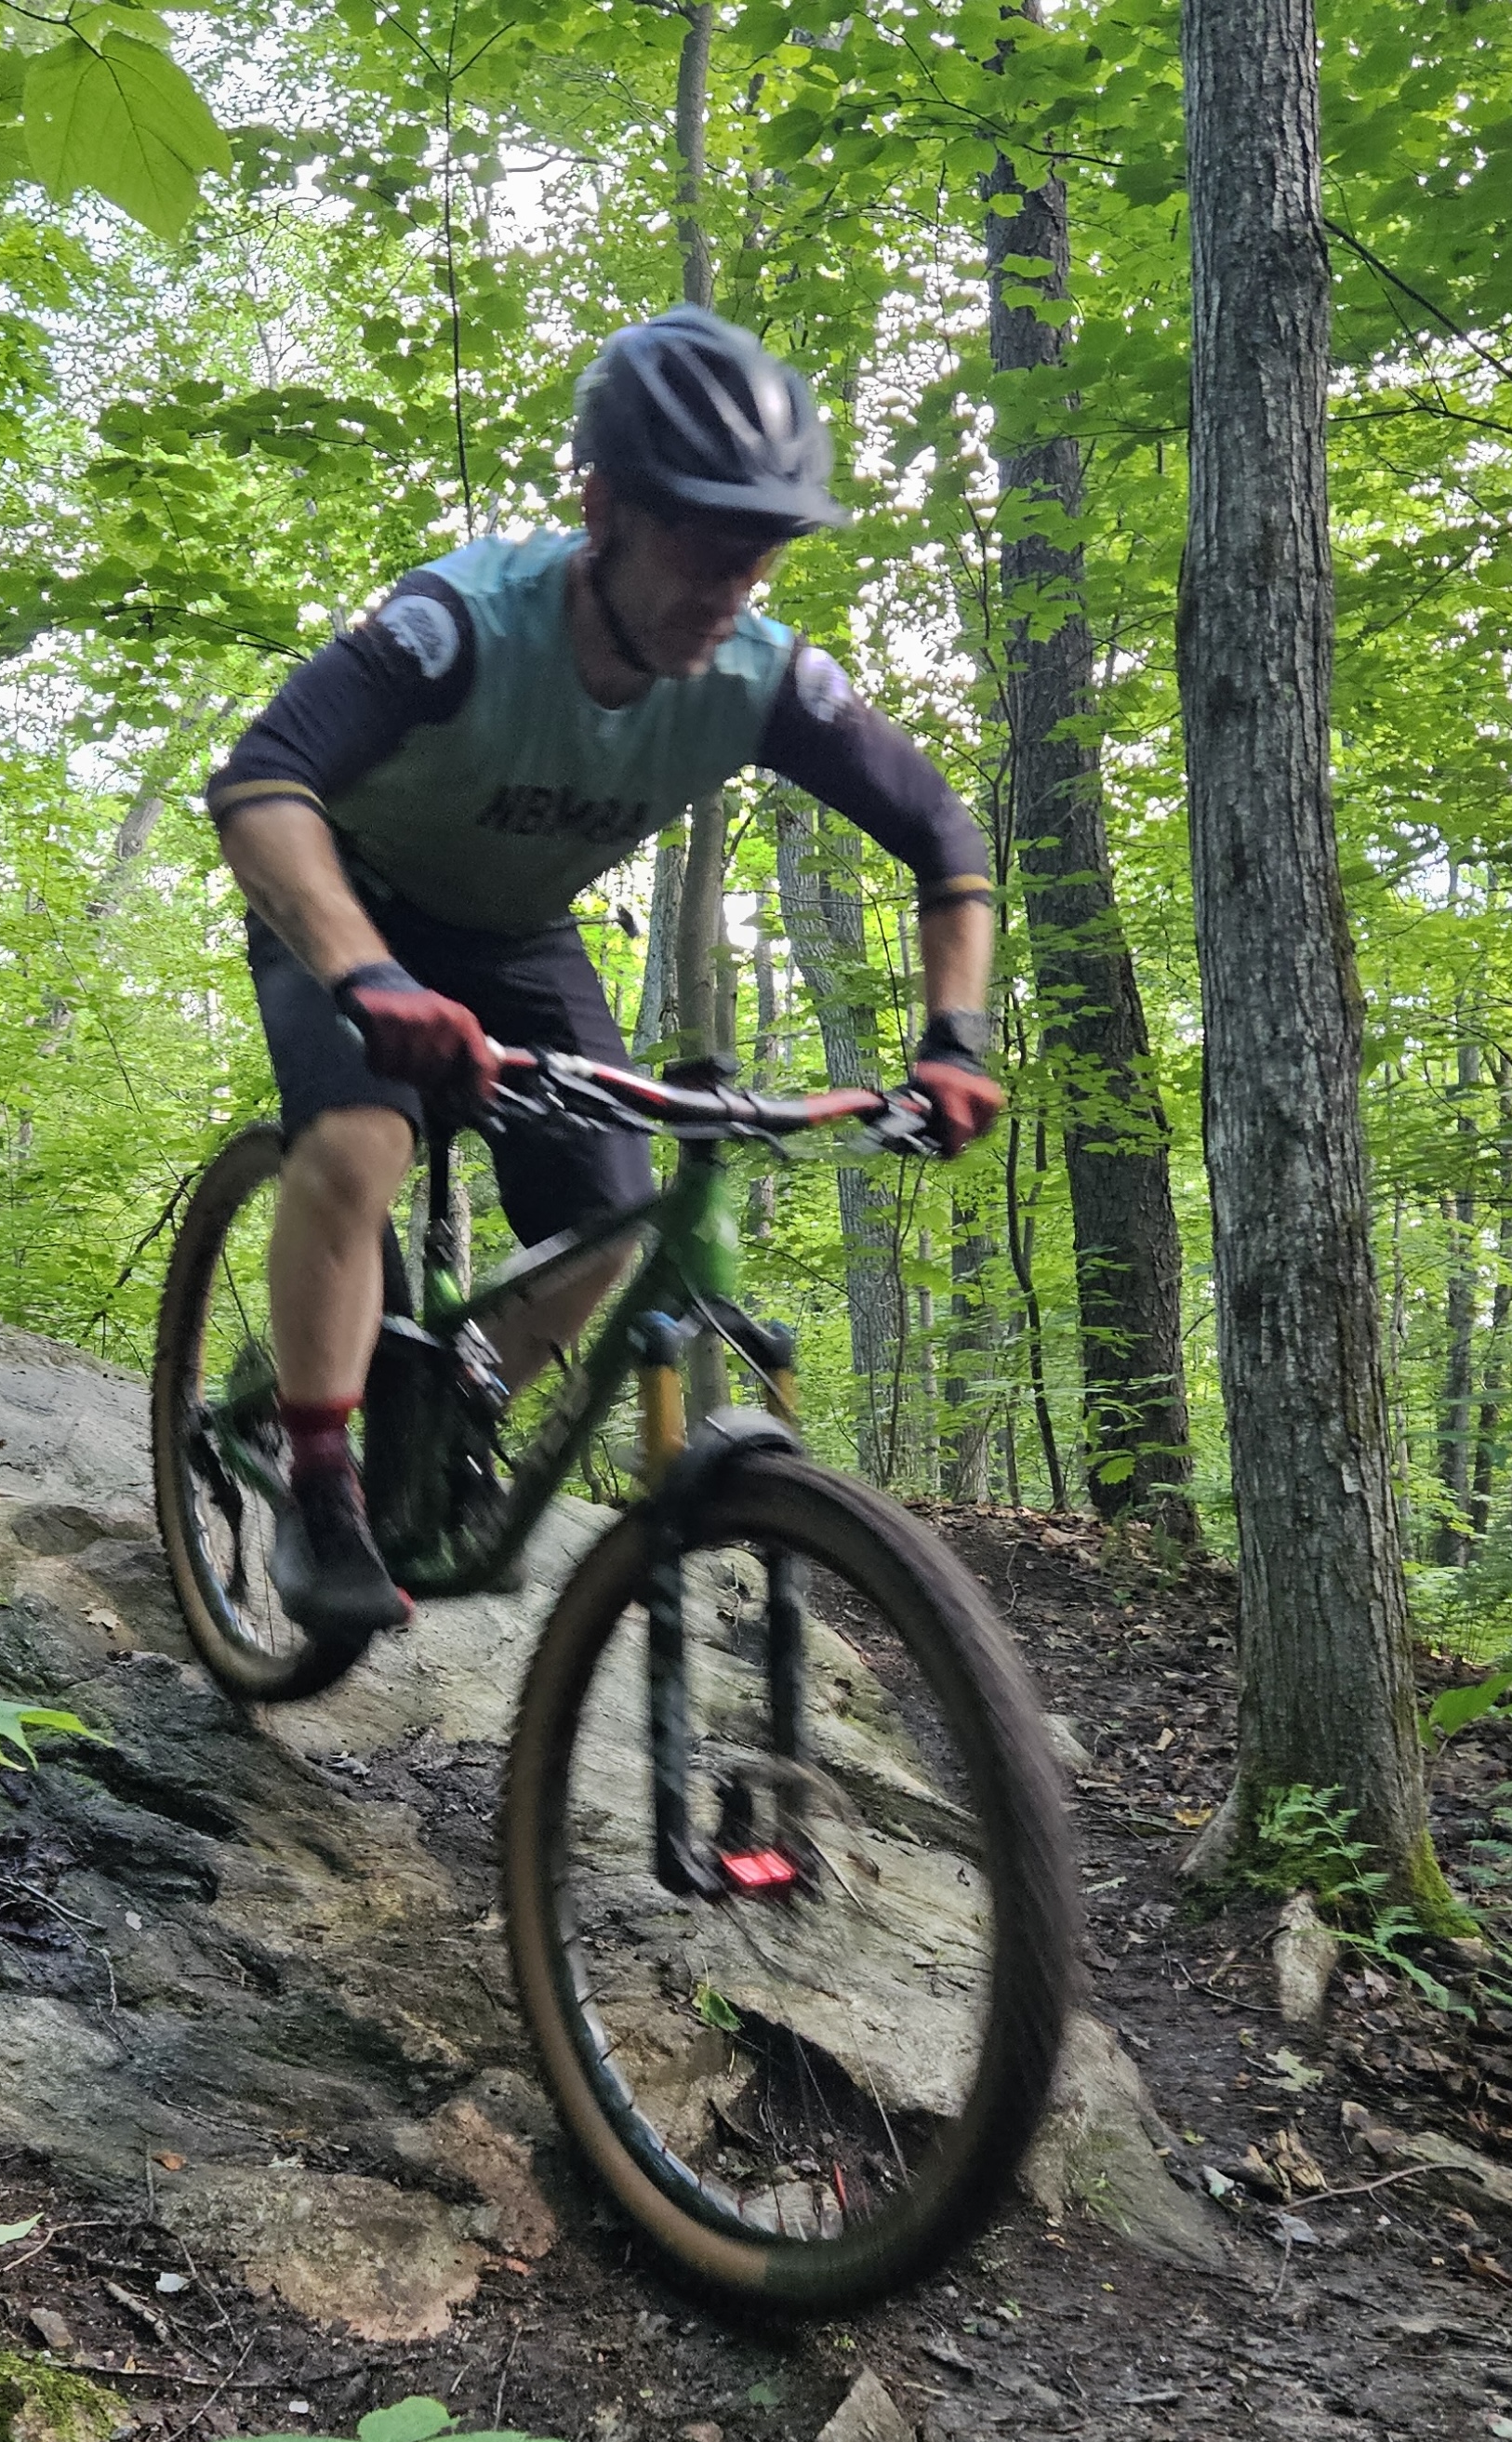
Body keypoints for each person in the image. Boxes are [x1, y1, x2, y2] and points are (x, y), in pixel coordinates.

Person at [206, 303, 1005, 1639]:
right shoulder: (455, 626)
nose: (731, 589)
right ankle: (323, 1476)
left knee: (618, 1221)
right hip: (352, 902)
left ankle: (453, 1391)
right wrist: (370, 982)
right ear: (605, 509)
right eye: (704, 546)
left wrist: (955, 1037)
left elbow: (942, 836)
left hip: (518, 934)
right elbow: (262, 787)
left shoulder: (761, 678)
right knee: (359, 1141)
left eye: (760, 557)